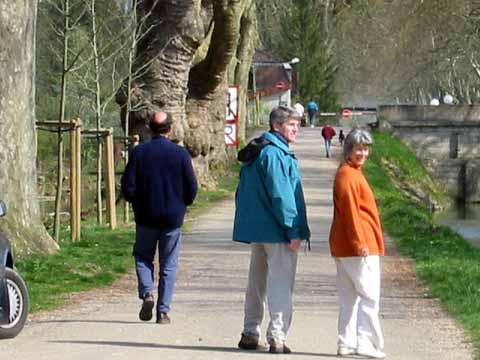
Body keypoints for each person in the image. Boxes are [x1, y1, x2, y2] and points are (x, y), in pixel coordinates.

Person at [233, 106, 310, 354]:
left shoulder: (257, 152)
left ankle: (250, 331)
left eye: (297, 124)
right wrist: (294, 230)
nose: (295, 129)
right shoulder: (275, 154)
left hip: (258, 230)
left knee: (256, 282)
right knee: (280, 283)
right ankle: (277, 335)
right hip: (278, 231)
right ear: (276, 126)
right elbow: (282, 196)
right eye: (290, 125)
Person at [121, 111, 198, 325]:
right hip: (172, 218)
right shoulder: (180, 154)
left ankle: (147, 293)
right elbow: (191, 188)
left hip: (145, 216)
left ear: (149, 129)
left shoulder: (139, 153)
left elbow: (128, 186)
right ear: (170, 129)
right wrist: (183, 203)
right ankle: (163, 312)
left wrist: (135, 201)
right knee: (169, 264)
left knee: (143, 256)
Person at [329, 128, 386, 359]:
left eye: (365, 148)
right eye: (358, 148)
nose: (362, 153)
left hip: (346, 246)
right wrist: (359, 242)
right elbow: (352, 213)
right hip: (359, 247)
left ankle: (346, 342)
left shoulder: (350, 172)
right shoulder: (349, 175)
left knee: (349, 297)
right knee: (370, 296)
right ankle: (366, 342)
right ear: (348, 150)